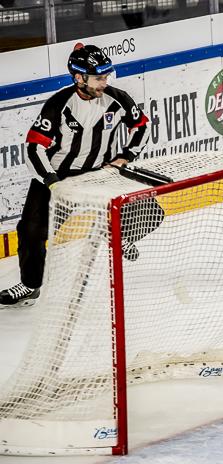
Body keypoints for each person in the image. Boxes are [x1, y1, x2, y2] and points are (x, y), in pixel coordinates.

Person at [0, 44, 153, 307]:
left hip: (99, 173)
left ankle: (120, 236)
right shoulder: (59, 104)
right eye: (99, 78)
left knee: (151, 212)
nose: (104, 82)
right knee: (31, 230)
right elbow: (34, 148)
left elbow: (141, 126)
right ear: (79, 78)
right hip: (58, 176)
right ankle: (30, 285)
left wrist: (126, 156)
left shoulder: (117, 99)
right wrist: (52, 182)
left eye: (106, 77)